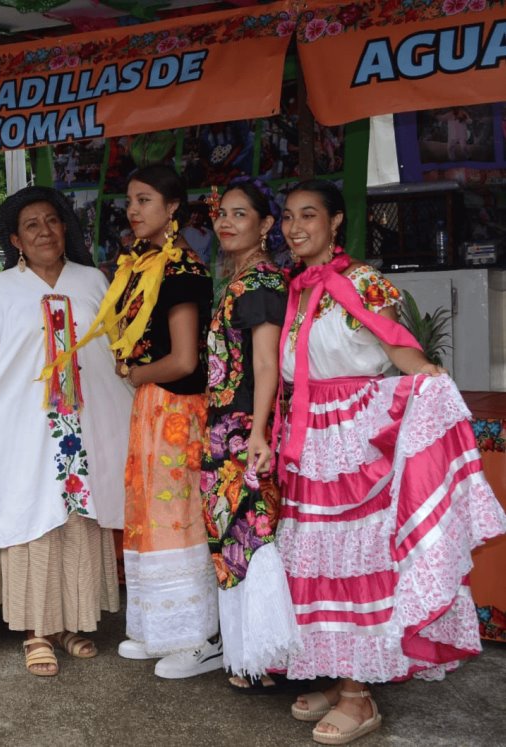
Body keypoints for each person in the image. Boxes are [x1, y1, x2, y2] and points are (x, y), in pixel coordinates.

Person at [275, 179, 506, 744]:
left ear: (335, 224)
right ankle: (341, 676)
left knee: (362, 560)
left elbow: (401, 349)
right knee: (319, 558)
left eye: (309, 215)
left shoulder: (364, 283)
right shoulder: (296, 290)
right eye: (287, 216)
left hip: (357, 438)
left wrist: (430, 382)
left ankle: (359, 697)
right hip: (310, 440)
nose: (295, 226)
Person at [0, 186, 132, 676]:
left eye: (52, 221)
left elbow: (115, 354)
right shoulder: (1, 290)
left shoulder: (92, 282)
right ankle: (35, 632)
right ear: (16, 240)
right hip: (22, 432)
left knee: (78, 522)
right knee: (31, 521)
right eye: (32, 226)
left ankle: (70, 624)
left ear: (66, 228)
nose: (44, 231)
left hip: (83, 430)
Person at [98, 164, 219, 677]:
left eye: (145, 200)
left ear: (172, 208)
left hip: (178, 408)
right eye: (130, 200)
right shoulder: (148, 265)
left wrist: (133, 370)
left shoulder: (182, 270)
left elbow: (186, 360)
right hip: (153, 405)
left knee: (180, 514)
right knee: (151, 511)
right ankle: (159, 628)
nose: (134, 210)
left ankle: (200, 637)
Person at [203, 177, 298, 687]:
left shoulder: (262, 284)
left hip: (244, 431)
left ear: (264, 226)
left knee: (253, 534)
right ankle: (247, 656)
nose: (226, 222)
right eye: (223, 213)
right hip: (223, 432)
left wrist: (258, 431)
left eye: (241, 214)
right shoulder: (238, 282)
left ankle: (266, 658)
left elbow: (266, 365)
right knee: (231, 536)